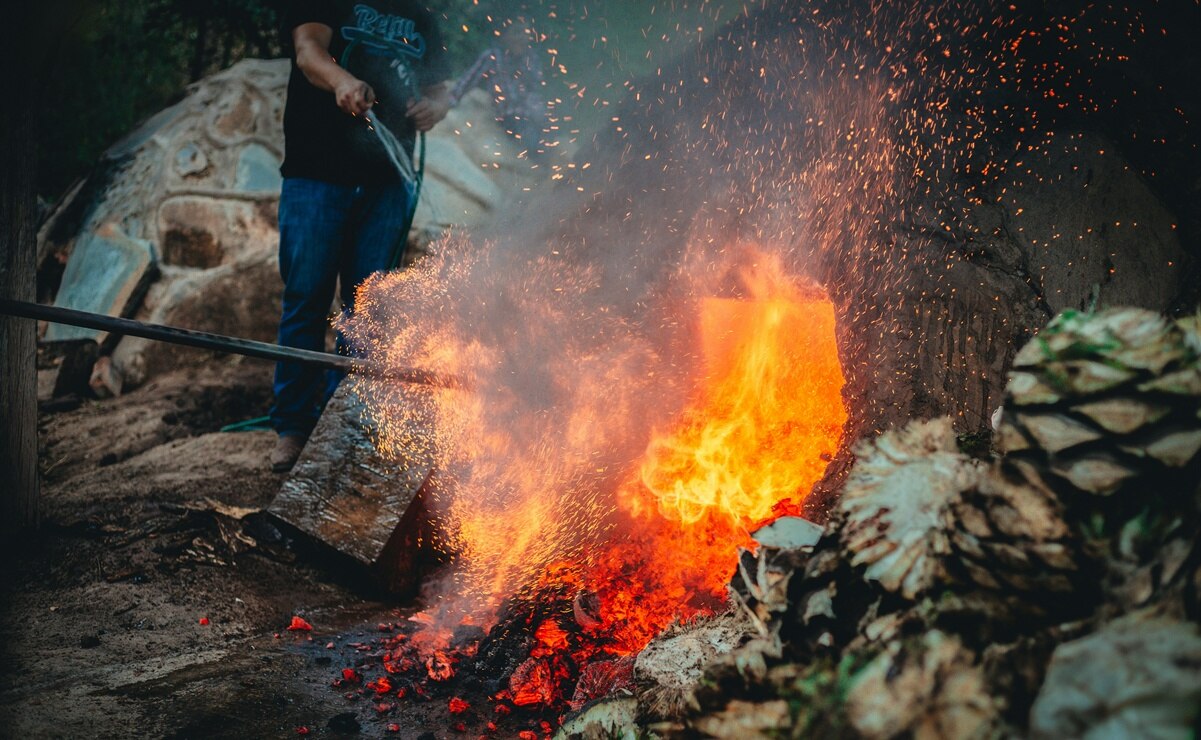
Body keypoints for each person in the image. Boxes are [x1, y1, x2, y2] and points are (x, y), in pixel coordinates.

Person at [270, 0, 451, 472]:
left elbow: (441, 87)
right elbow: (309, 50)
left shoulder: (423, 14)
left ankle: (340, 427)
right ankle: (292, 428)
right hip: (316, 172)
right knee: (306, 298)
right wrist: (342, 81)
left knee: (368, 308)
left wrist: (437, 106)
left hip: (388, 182)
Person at [449, 19, 550, 157]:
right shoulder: (493, 56)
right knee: (533, 140)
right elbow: (468, 81)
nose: (522, 38)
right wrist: (449, 100)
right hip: (511, 117)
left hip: (534, 115)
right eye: (517, 32)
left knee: (555, 135)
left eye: (526, 33)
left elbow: (538, 89)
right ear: (504, 36)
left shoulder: (531, 58)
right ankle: (540, 163)